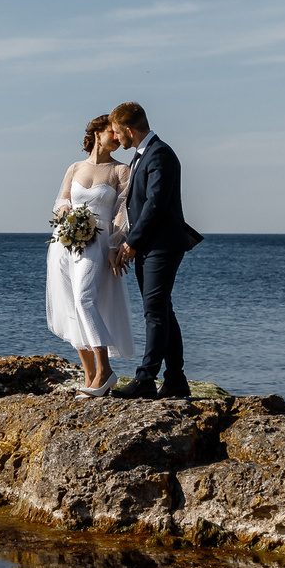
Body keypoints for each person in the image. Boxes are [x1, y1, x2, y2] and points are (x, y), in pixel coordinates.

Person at [105, 102, 201, 399]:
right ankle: (175, 380)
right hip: (150, 244)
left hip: (162, 245)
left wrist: (132, 243)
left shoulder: (160, 154)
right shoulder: (141, 156)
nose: (116, 137)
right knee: (163, 311)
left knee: (155, 312)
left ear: (128, 129)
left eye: (117, 132)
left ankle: (146, 379)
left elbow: (155, 204)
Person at [46, 115, 136, 393]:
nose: (117, 137)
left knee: (84, 298)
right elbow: (62, 199)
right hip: (65, 242)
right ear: (97, 134)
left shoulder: (121, 170)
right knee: (71, 305)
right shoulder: (75, 167)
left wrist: (114, 244)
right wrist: (64, 211)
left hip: (98, 242)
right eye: (112, 132)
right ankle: (90, 378)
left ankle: (105, 371)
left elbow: (122, 212)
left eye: (119, 133)